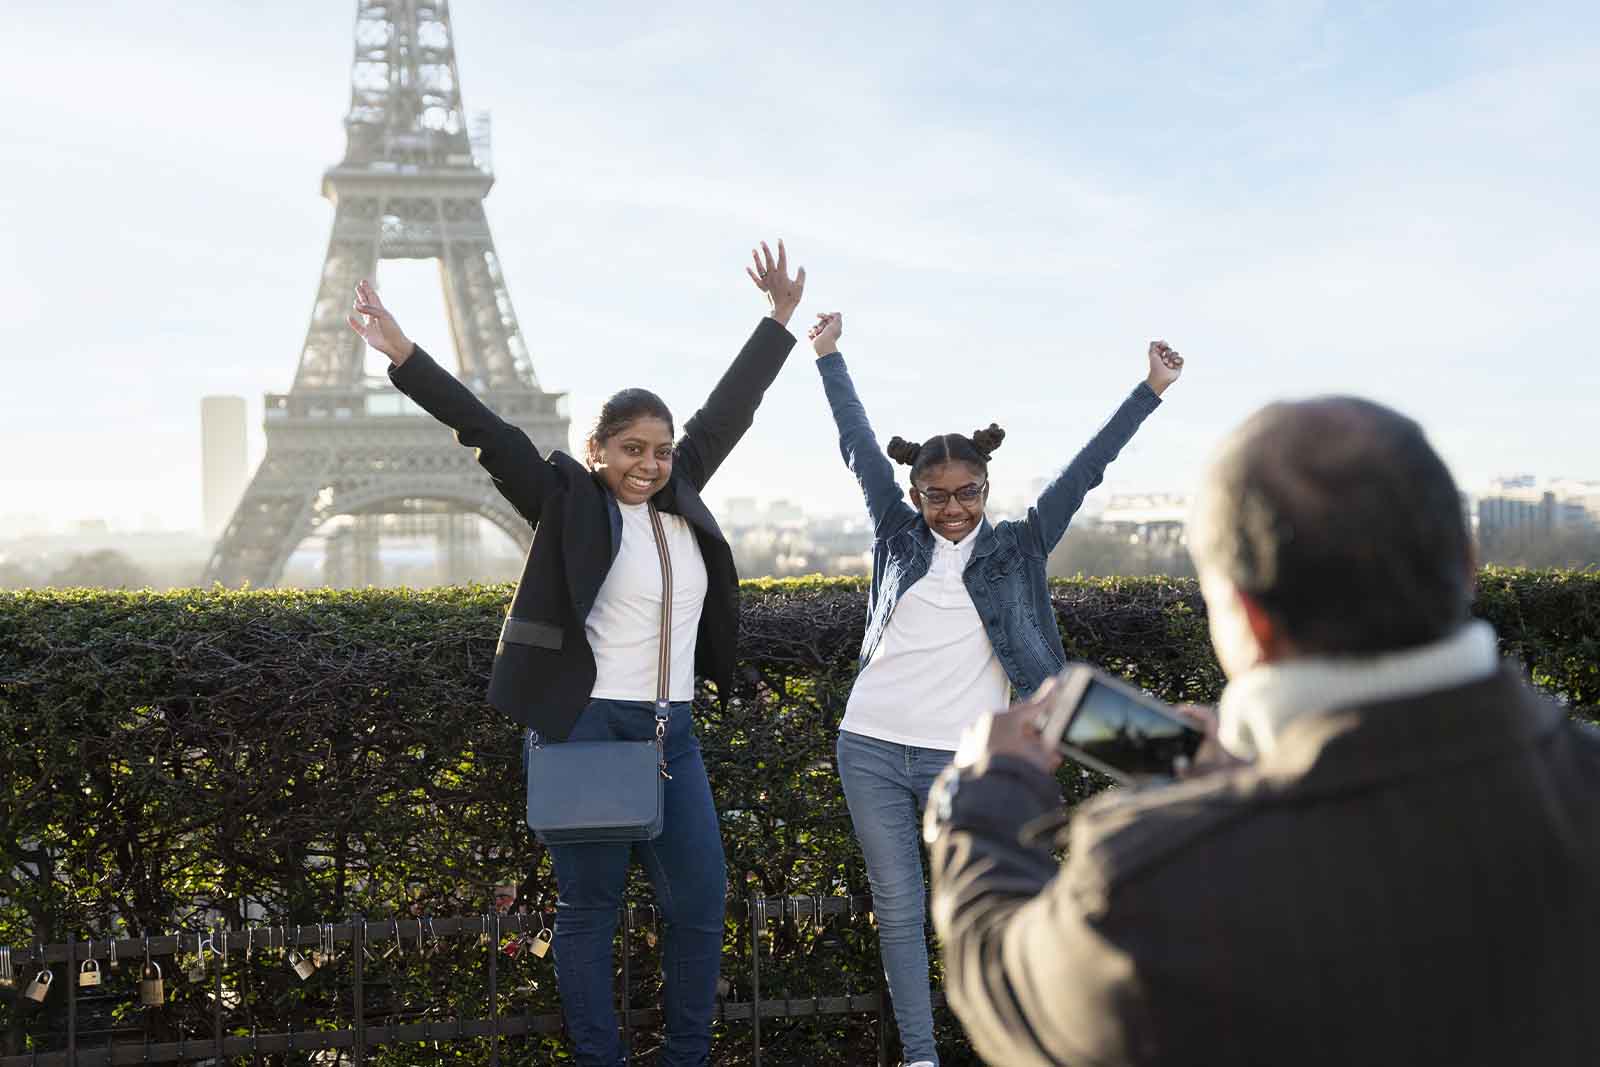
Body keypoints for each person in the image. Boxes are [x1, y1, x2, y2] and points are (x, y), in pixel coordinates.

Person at [923, 397, 1600, 1067]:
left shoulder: (1147, 884)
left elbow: (1007, 982)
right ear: (1469, 562)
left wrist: (986, 798)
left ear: (1244, 615)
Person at [347, 240, 805, 1067]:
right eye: (632, 448)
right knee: (591, 908)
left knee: (701, 901)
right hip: (589, 726)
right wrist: (405, 355)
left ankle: (686, 1058)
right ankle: (602, 1059)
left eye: (660, 449)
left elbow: (730, 406)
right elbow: (486, 432)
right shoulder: (567, 498)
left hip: (675, 734)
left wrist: (777, 321)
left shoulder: (682, 488)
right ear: (599, 450)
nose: (650, 463)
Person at [805, 310, 1183, 1067]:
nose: (952, 509)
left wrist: (1151, 389)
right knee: (902, 910)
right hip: (871, 745)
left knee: (1000, 901)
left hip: (962, 755)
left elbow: (1087, 468)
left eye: (967, 492)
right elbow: (856, 445)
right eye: (935, 496)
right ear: (913, 494)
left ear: (987, 485)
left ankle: (1023, 1046)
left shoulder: (1020, 545)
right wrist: (828, 355)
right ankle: (920, 1057)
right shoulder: (892, 533)